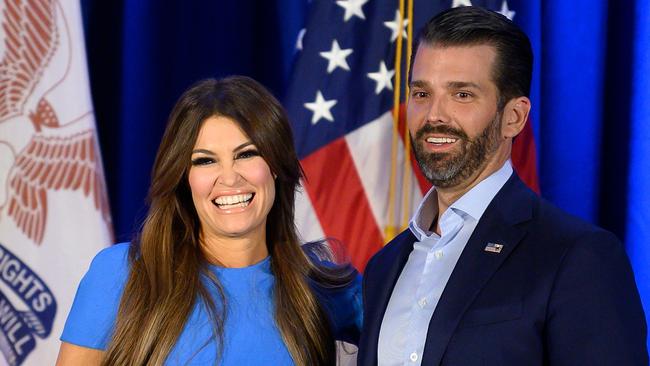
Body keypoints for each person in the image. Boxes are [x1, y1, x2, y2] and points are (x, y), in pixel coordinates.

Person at [357, 6, 647, 366]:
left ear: (514, 117)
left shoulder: (577, 256)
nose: (434, 115)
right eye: (421, 93)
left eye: (462, 94)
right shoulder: (383, 267)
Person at [56, 76, 362, 365]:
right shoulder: (123, 274)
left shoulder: (324, 288)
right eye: (205, 160)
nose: (229, 178)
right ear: (183, 178)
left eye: (246, 154)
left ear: (276, 166)